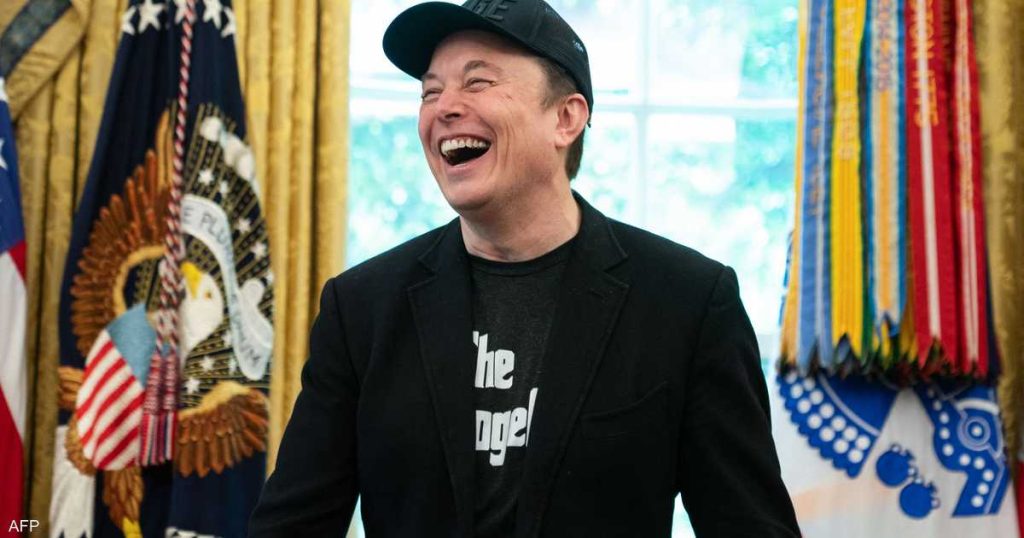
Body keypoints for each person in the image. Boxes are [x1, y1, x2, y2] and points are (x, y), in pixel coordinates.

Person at [248, 1, 800, 536]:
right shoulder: (361, 308)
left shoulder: (689, 304)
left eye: (478, 82)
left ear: (566, 118)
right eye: (430, 92)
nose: (444, 107)